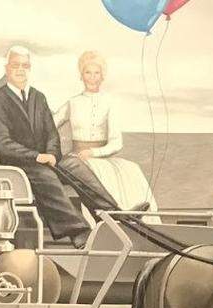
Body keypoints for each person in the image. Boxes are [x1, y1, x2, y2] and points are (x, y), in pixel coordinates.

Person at [0, 45, 129, 249]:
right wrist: (37, 156)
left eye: (25, 66)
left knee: (75, 164)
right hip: (18, 165)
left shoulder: (38, 97)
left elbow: (51, 132)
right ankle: (80, 234)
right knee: (46, 176)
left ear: (30, 68)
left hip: (44, 159)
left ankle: (114, 218)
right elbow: (1, 144)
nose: (20, 70)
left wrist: (52, 153)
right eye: (15, 65)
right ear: (6, 68)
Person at [53, 51, 161, 223]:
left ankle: (125, 218)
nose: (92, 77)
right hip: (76, 158)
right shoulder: (72, 103)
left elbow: (116, 142)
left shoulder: (110, 102)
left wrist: (94, 153)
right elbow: (50, 124)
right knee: (84, 170)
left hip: (102, 158)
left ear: (102, 76)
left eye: (96, 73)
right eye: (88, 72)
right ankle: (115, 217)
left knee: (131, 171)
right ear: (81, 75)